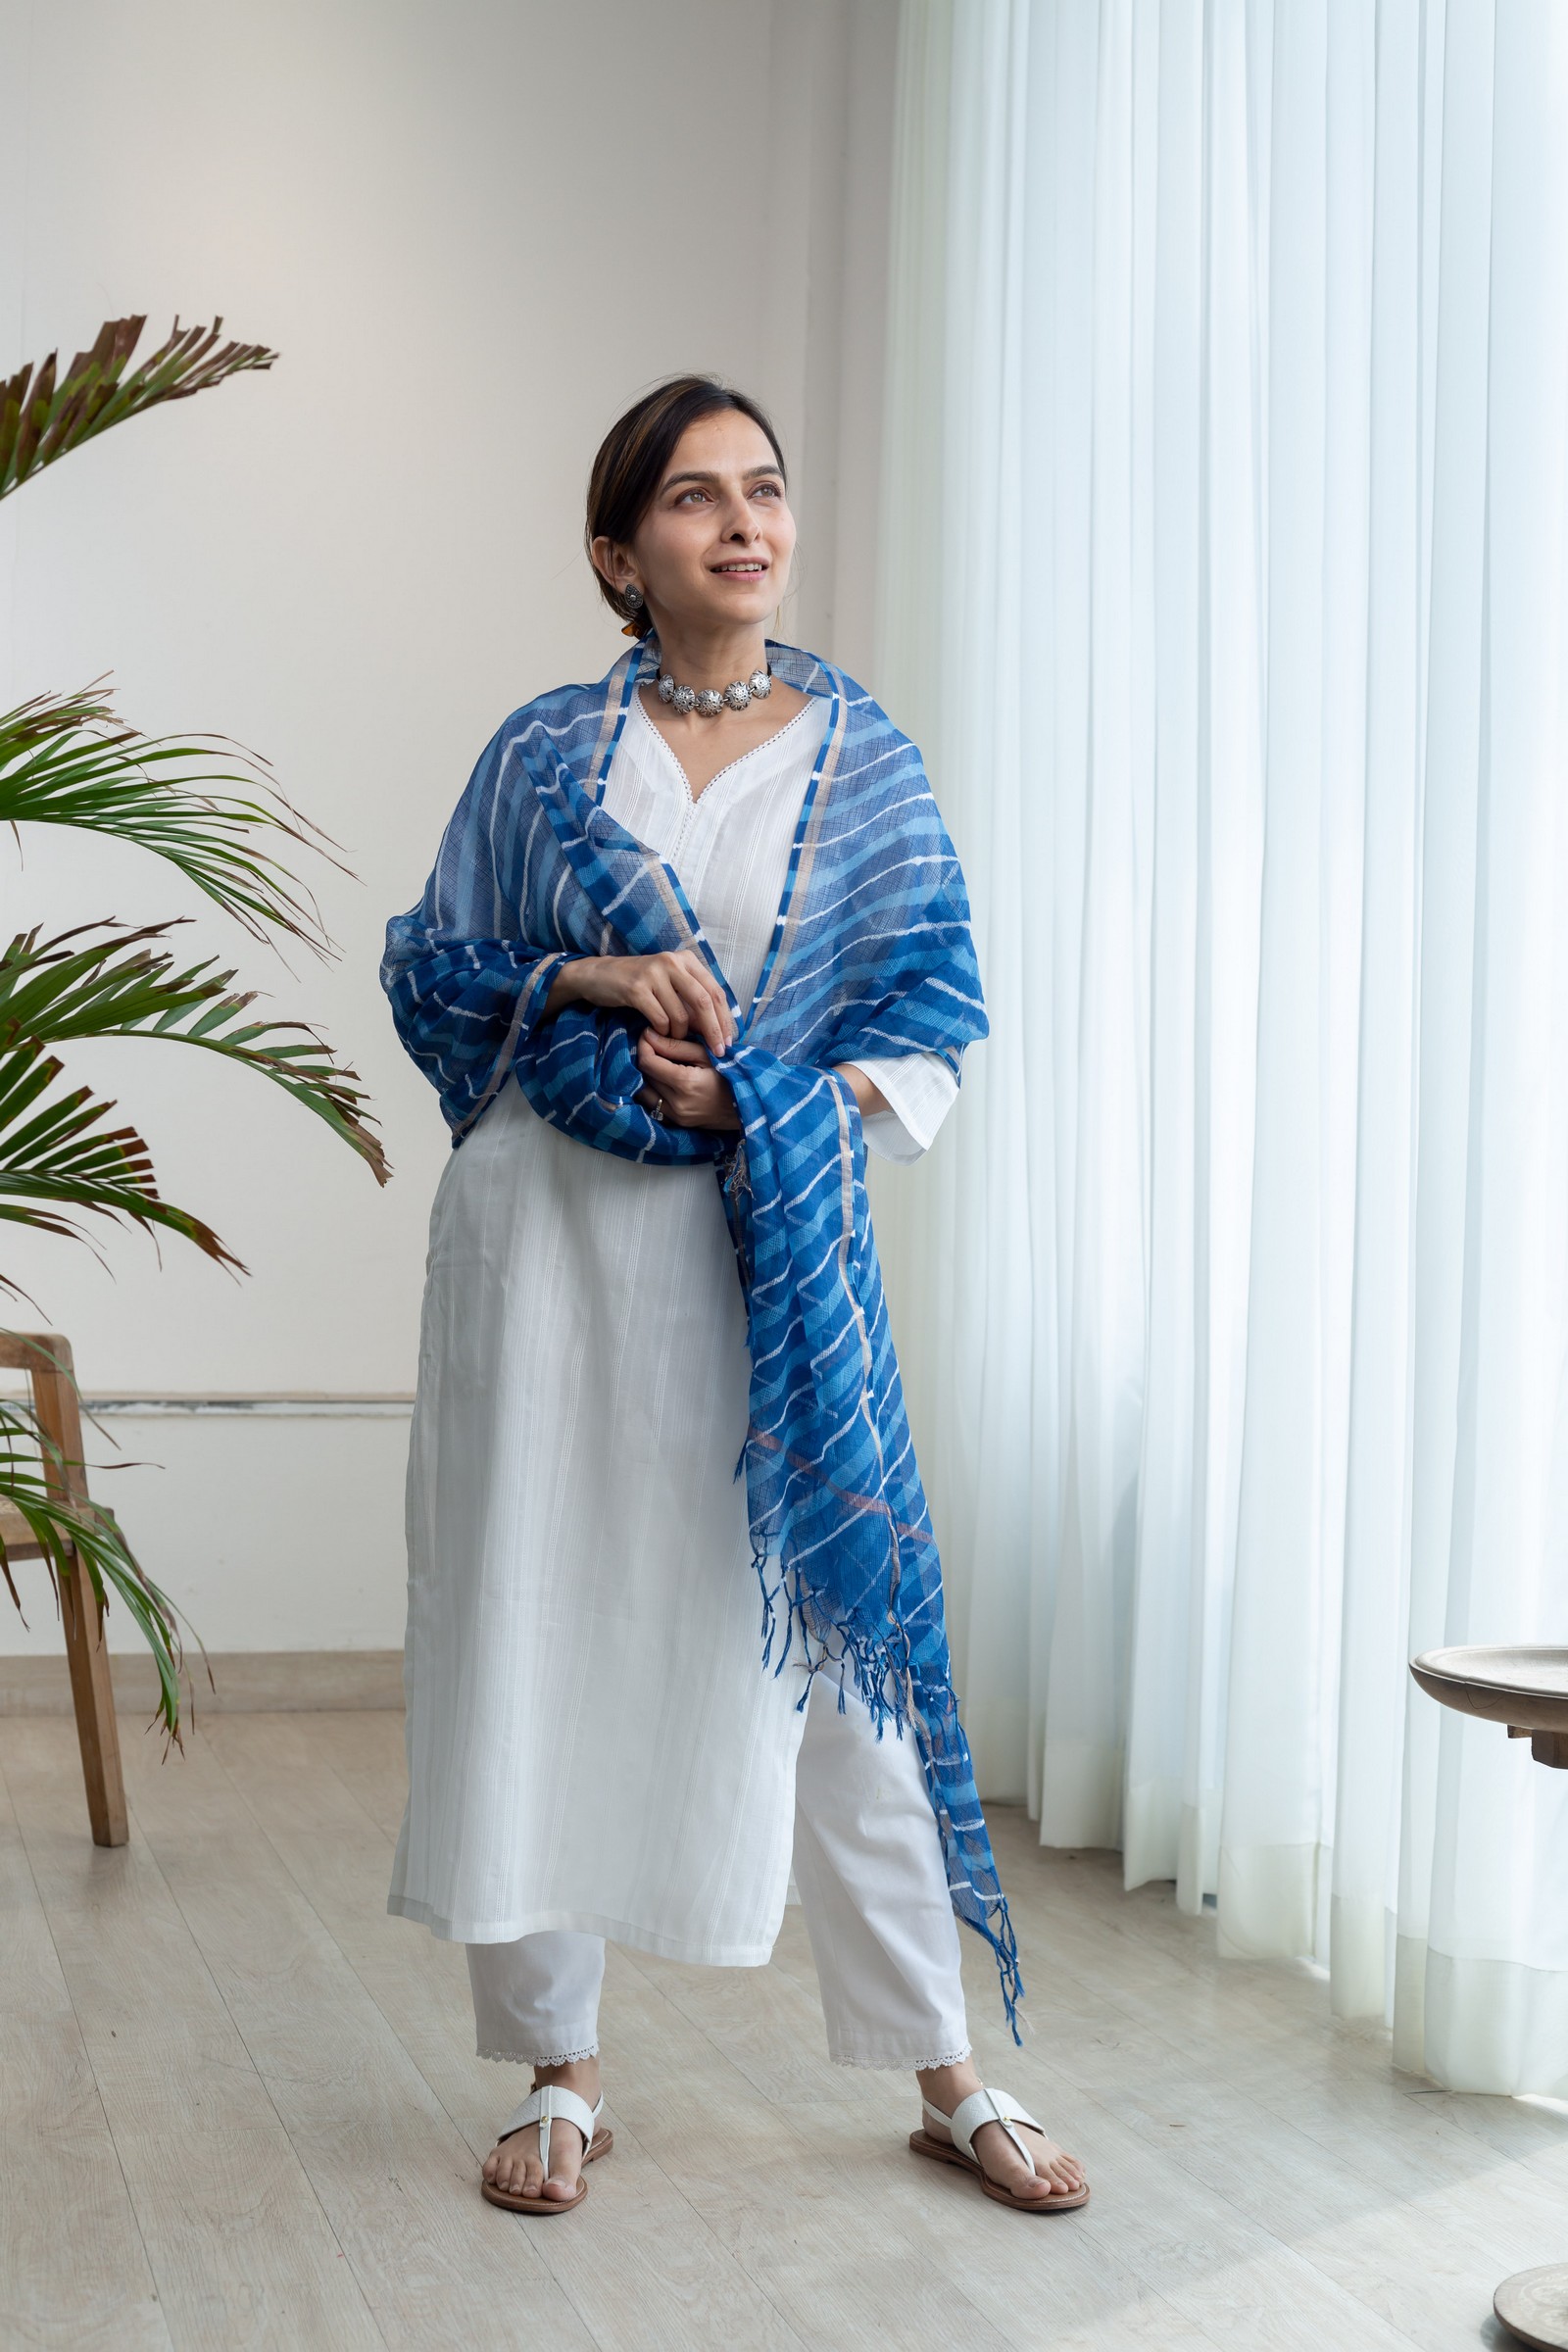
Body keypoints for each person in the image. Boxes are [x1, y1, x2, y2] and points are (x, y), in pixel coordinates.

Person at [381, 375, 1090, 2219]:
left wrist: (761, 1101)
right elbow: (436, 972)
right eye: (695, 498)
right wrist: (588, 983)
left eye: (764, 488)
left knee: (836, 1647)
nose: (743, 521)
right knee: (528, 1619)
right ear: (620, 554)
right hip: (541, 1250)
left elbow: (928, 1025)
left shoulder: (867, 767)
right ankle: (558, 2069)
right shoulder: (544, 757)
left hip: (761, 1258)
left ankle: (945, 2068)